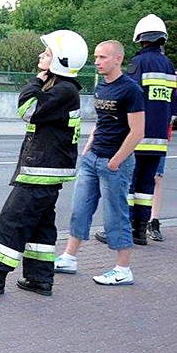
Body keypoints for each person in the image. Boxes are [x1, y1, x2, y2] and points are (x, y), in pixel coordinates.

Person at [0, 30, 87, 297]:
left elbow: (28, 110)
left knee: (12, 221)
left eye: (47, 53)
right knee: (41, 226)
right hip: (47, 172)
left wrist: (35, 80)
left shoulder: (63, 91)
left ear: (60, 61)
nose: (41, 55)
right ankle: (39, 278)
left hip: (40, 173)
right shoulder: (64, 90)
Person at [54, 41, 145, 285]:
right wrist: (89, 146)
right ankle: (69, 257)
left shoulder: (131, 90)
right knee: (80, 209)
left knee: (116, 215)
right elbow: (103, 121)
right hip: (92, 159)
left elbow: (137, 131)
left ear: (118, 59)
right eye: (96, 57)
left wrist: (115, 161)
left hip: (115, 163)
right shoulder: (101, 86)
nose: (97, 61)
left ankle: (123, 269)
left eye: (103, 57)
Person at [94, 15, 176, 246]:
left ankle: (121, 232)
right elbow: (174, 103)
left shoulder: (138, 64)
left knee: (127, 186)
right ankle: (140, 231)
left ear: (140, 38)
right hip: (159, 138)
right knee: (145, 187)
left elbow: (126, 94)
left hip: (137, 136)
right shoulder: (169, 65)